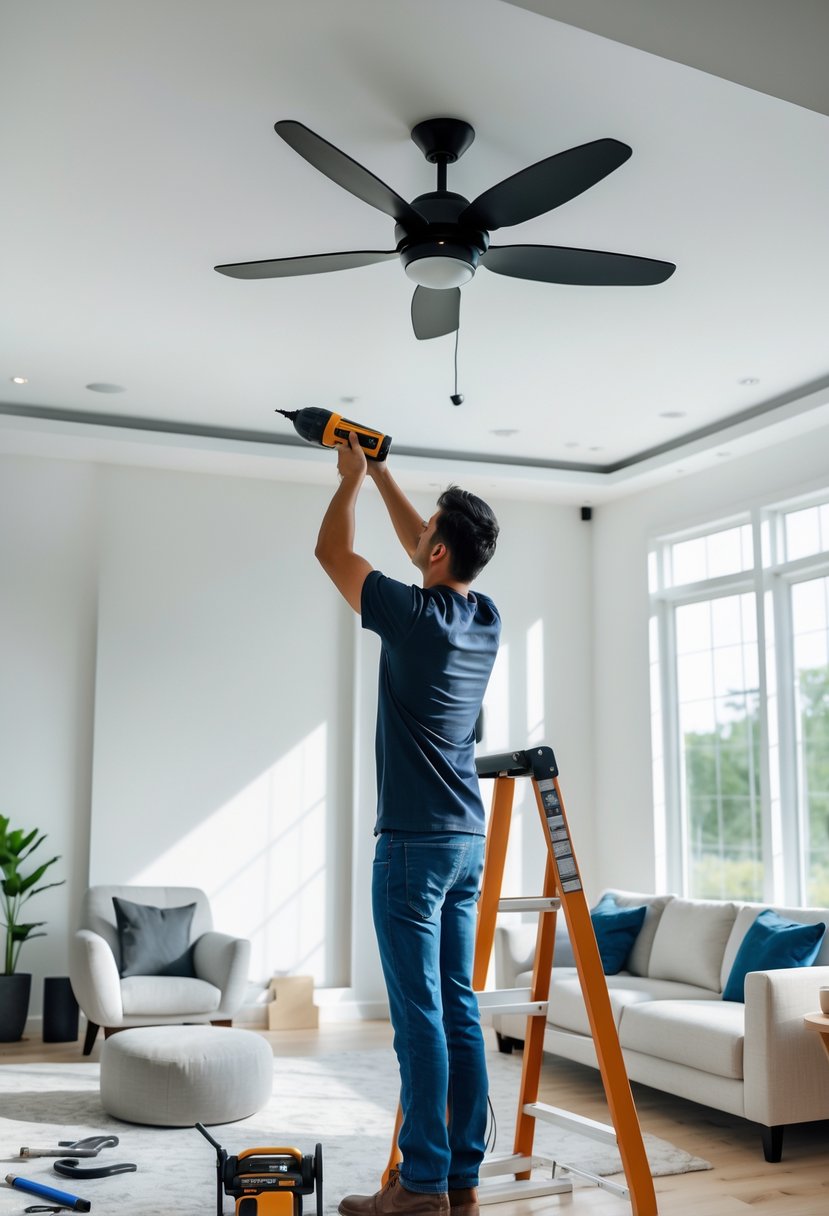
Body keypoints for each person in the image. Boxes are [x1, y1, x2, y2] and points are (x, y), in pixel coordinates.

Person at [315, 433, 501, 1216]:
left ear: (434, 551)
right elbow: (418, 549)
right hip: (466, 841)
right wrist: (388, 474)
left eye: (424, 531)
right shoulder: (482, 616)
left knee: (419, 1014)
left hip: (413, 849)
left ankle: (420, 1185)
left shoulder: (411, 616)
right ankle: (459, 1177)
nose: (416, 536)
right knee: (457, 1008)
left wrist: (352, 480)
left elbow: (331, 552)